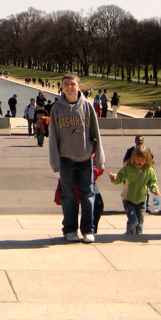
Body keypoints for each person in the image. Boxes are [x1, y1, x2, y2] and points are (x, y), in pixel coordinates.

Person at [48, 73, 105, 243]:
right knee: (68, 195)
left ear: (79, 86)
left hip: (86, 157)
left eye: (72, 84)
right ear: (62, 87)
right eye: (66, 84)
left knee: (88, 194)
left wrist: (99, 157)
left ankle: (88, 230)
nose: (69, 87)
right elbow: (53, 138)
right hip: (66, 158)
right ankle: (70, 229)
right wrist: (55, 162)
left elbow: (96, 132)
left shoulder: (87, 106)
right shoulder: (57, 108)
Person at [108, 145, 159, 235]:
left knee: (140, 221)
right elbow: (120, 177)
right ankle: (130, 234)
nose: (140, 161)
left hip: (141, 199)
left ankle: (139, 235)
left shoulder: (149, 170)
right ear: (133, 158)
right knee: (133, 220)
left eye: (142, 159)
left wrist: (154, 189)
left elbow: (152, 182)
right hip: (128, 198)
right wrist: (114, 177)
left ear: (147, 160)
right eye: (138, 159)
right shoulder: (128, 167)